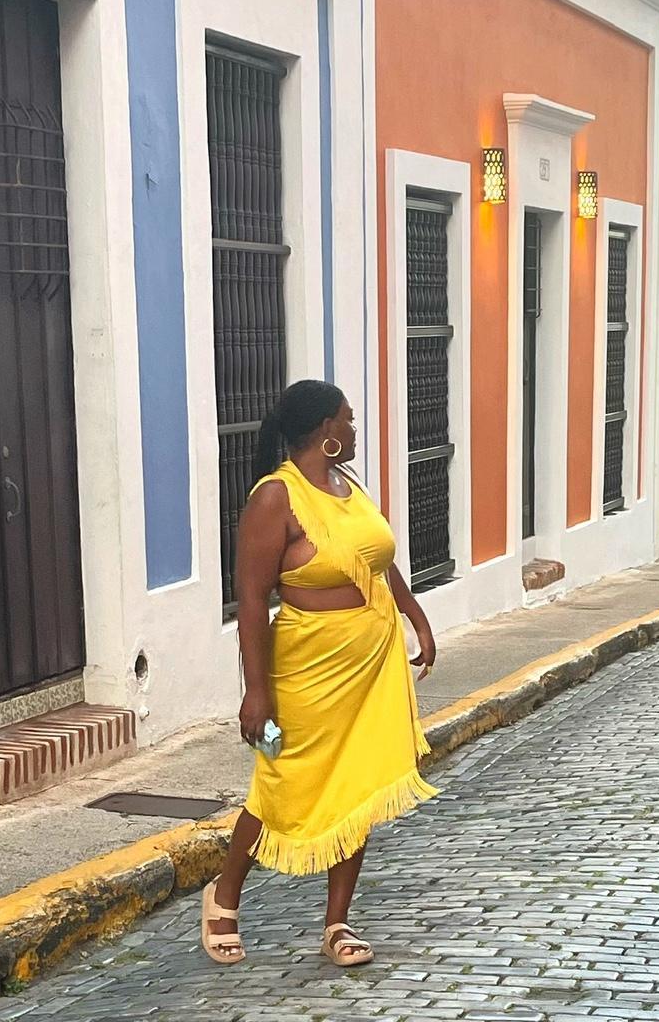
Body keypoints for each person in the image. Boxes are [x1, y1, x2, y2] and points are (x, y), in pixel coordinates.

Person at [200, 380, 438, 968]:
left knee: (358, 785)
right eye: (349, 421)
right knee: (282, 782)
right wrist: (256, 691)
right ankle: (223, 896)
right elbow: (252, 600)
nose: (355, 430)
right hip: (307, 667)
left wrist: (415, 616)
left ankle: (337, 922)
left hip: (372, 662)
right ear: (326, 433)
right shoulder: (276, 498)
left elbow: (374, 561)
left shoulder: (347, 487)